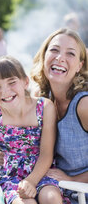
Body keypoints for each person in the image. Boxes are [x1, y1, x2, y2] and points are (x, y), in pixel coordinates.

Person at [0, 55, 62, 204]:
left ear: (25, 82)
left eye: (11, 82)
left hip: (42, 171)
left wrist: (31, 181)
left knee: (51, 198)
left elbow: (46, 154)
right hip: (10, 176)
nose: (5, 91)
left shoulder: (44, 107)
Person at [31, 28, 88, 204]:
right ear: (44, 56)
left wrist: (73, 180)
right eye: (54, 50)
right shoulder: (41, 97)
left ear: (79, 66)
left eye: (70, 54)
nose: (60, 57)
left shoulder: (84, 105)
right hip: (52, 185)